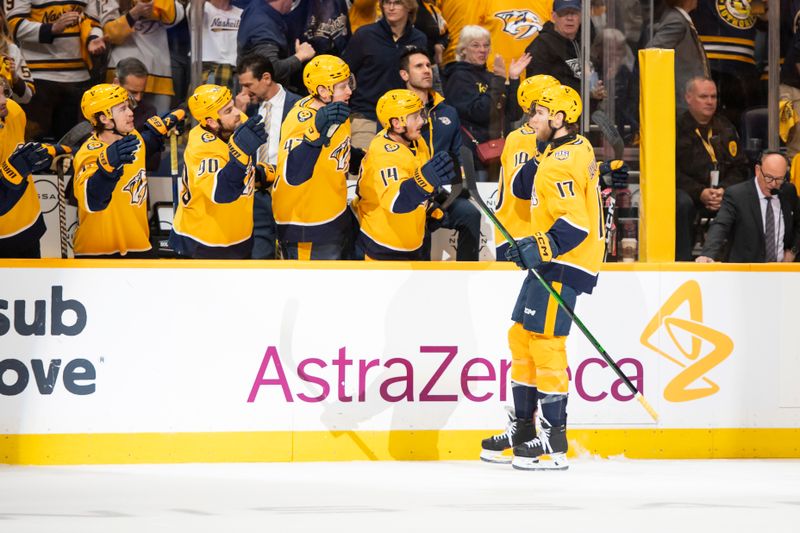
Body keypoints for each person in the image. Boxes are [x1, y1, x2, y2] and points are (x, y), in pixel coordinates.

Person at [480, 85, 604, 471]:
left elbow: (575, 225)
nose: (531, 119)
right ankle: (522, 429)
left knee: (547, 344)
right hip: (554, 258)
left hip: (565, 261)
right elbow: (521, 188)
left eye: (539, 114)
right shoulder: (567, 148)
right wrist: (538, 151)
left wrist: (538, 248)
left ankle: (553, 440)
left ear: (559, 119)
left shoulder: (560, 164)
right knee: (521, 336)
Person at [72, 83, 183, 257]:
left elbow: (145, 143)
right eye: (122, 109)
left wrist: (159, 131)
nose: (131, 112)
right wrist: (106, 170)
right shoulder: (89, 154)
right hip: (99, 252)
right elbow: (91, 202)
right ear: (104, 118)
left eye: (129, 106)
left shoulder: (133, 137)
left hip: (139, 245)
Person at [399, 46, 481, 261]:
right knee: (420, 227)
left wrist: (455, 186)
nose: (427, 70)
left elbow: (456, 155)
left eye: (428, 65)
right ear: (404, 75)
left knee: (470, 214)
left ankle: (466, 275)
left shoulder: (448, 111)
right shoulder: (394, 111)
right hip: (410, 193)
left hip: (438, 192)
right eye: (419, 66)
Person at [354, 88, 456, 260]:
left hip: (413, 241)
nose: (422, 121)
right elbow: (395, 202)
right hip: (381, 245)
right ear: (396, 123)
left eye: (421, 114)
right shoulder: (384, 152)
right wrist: (425, 180)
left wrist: (428, 206)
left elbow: (413, 179)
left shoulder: (417, 141)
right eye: (415, 116)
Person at [272, 55, 355, 260]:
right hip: (306, 224)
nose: (349, 91)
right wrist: (314, 134)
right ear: (323, 91)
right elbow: (294, 174)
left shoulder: (336, 110)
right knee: (308, 289)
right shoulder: (301, 119)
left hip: (332, 216)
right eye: (342, 86)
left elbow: (335, 153)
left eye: (349, 83)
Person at [169, 84, 266, 258]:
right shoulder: (202, 148)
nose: (237, 113)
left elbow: (242, 171)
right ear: (211, 122)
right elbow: (221, 193)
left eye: (233, 105)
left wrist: (259, 174)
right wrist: (241, 154)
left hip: (239, 237)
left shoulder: (233, 123)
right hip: (202, 243)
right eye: (228, 111)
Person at [7, 0, 106, 141]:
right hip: (40, 77)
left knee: (74, 142)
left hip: (78, 77)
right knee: (34, 141)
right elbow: (13, 24)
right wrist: (52, 28)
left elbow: (93, 21)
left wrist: (93, 38)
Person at [235, 53, 302, 259]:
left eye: (248, 85)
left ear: (266, 78)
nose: (244, 92)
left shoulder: (299, 106)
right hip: (257, 189)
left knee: (292, 253)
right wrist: (238, 114)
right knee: (259, 254)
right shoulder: (246, 108)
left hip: (288, 188)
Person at [675, 76, 748, 261]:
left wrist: (723, 190)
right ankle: (682, 261)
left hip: (722, 192)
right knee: (680, 203)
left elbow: (740, 168)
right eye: (704, 96)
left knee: (744, 198)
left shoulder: (725, 127)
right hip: (688, 192)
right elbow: (669, 171)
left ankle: (735, 261)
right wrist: (700, 192)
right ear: (688, 98)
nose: (710, 101)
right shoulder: (674, 127)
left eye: (714, 97)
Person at [443, 25, 529, 181]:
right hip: (475, 158)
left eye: (486, 45)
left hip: (500, 155)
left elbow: (514, 114)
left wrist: (514, 79)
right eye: (475, 45)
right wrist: (499, 80)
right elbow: (480, 112)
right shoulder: (458, 77)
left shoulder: (492, 76)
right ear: (463, 50)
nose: (482, 50)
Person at [342, 0, 427, 151]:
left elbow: (423, 78)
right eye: (387, 2)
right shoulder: (365, 35)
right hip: (365, 116)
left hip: (403, 120)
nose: (391, 8)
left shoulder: (419, 39)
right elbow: (345, 72)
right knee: (361, 169)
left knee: (400, 172)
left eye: (398, 3)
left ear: (409, 7)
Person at [494, 74, 559, 260]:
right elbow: (520, 187)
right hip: (517, 234)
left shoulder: (551, 137)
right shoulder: (521, 138)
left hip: (540, 233)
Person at [697, 152, 800, 263]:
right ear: (757, 170)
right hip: (746, 271)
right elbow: (721, 225)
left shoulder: (788, 191)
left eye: (779, 179)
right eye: (769, 177)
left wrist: (792, 251)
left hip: (782, 271)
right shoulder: (737, 195)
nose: (773, 184)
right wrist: (707, 254)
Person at [0, 77, 59, 258]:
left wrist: (51, 152)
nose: (4, 101)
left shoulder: (14, 111)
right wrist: (11, 176)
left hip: (29, 224)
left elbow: (19, 149)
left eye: (4, 92)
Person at [101, 0, 185, 115]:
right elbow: (109, 35)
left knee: (157, 126)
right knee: (118, 122)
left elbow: (174, 17)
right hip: (121, 71)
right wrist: (133, 14)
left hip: (159, 72)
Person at [525, 0, 606, 103]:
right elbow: (538, 91)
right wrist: (587, 94)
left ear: (581, 16)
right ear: (554, 16)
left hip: (588, 111)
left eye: (574, 13)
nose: (569, 18)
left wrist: (598, 89)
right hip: (558, 114)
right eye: (563, 13)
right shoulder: (541, 45)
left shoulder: (584, 40)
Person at [645, 0, 710, 117]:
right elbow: (652, 53)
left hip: (686, 99)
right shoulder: (676, 21)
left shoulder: (681, 19)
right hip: (681, 100)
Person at [237, 0, 316, 94]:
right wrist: (300, 56)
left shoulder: (256, 6)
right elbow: (271, 69)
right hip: (259, 98)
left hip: (251, 89)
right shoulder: (263, 26)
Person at [112, 57, 160, 172]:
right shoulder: (94, 107)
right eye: (133, 92)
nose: (138, 98)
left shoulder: (149, 111)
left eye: (142, 92)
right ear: (116, 83)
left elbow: (153, 162)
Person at [194, 0, 243, 90]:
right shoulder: (203, 8)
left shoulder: (241, 13)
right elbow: (194, 16)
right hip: (209, 70)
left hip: (236, 70)